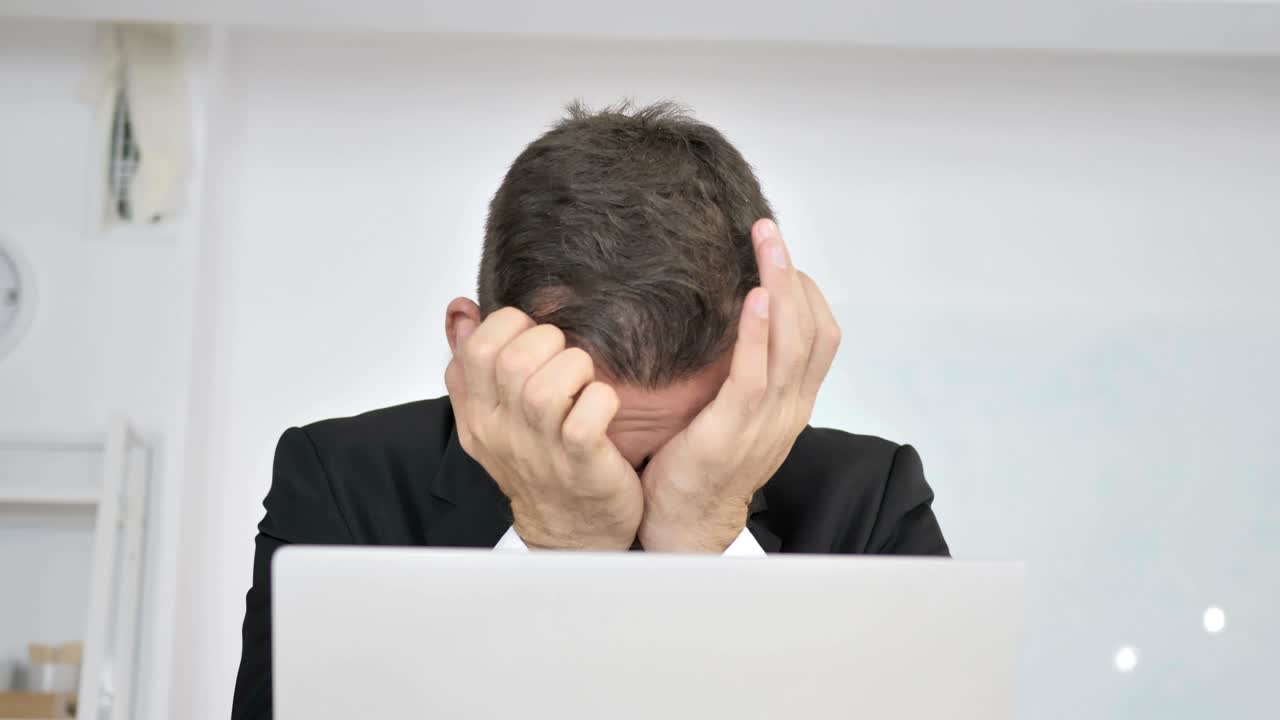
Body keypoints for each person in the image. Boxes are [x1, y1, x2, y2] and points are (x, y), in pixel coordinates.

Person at [231, 102, 948, 718]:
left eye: (694, 429)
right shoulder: (342, 482)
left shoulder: (871, 501)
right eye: (582, 424)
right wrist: (559, 551)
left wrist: (706, 543)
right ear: (474, 349)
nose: (634, 475)